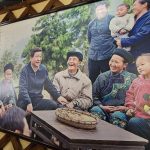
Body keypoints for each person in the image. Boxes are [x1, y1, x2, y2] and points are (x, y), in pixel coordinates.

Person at [90, 48, 137, 128]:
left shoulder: (133, 78)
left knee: (118, 116)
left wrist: (126, 108)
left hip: (122, 112)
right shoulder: (102, 77)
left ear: (124, 65)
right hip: (103, 110)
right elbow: (94, 96)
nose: (112, 64)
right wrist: (102, 106)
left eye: (116, 62)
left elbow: (136, 98)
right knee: (95, 110)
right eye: (111, 61)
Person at [17, 47, 66, 112]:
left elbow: (49, 86)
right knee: (26, 116)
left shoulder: (43, 69)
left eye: (40, 57)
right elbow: (23, 89)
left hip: (37, 100)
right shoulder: (25, 70)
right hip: (24, 101)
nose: (39, 59)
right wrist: (28, 102)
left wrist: (58, 96)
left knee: (55, 105)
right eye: (37, 56)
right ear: (31, 58)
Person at [116, 0, 150, 74]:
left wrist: (123, 41)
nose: (133, 7)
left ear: (144, 5)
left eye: (135, 5)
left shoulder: (148, 17)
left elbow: (143, 34)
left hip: (142, 57)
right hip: (129, 55)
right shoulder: (132, 17)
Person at [125, 53, 150, 150]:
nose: (139, 67)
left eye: (142, 64)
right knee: (133, 122)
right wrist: (130, 107)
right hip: (140, 118)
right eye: (137, 66)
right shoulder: (136, 81)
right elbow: (129, 95)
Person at [87, 1, 116, 84]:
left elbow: (117, 36)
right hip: (93, 56)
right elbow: (89, 39)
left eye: (102, 8)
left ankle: (108, 97)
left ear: (106, 9)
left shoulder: (112, 19)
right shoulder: (91, 24)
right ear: (96, 11)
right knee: (92, 79)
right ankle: (94, 96)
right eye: (98, 9)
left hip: (108, 55)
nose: (100, 11)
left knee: (109, 79)